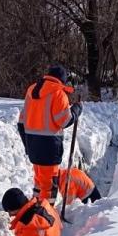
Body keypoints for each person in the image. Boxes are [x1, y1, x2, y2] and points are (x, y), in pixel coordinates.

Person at [17, 65, 82, 202]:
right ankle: (45, 215)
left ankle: (36, 206)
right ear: (62, 80)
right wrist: (76, 110)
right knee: (49, 184)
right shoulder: (58, 93)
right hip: (49, 147)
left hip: (33, 144)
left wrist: (27, 144)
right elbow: (64, 121)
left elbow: (21, 121)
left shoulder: (31, 90)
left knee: (39, 181)